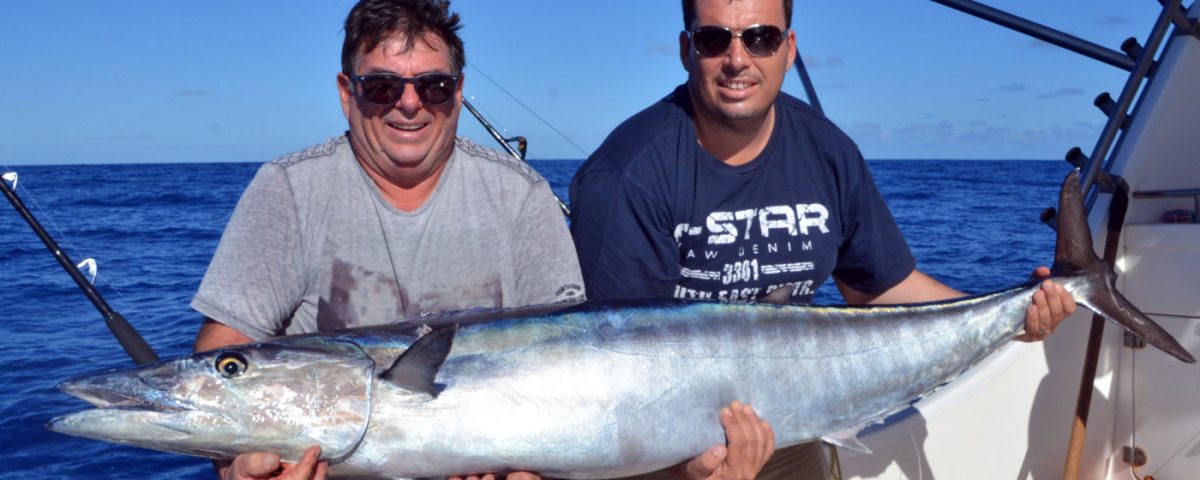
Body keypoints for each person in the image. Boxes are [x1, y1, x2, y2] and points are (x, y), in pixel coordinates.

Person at [569, 0, 1077, 478]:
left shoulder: (827, 149)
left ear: (789, 49)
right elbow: (625, 376)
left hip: (795, 427)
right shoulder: (625, 176)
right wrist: (688, 470)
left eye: (761, 38)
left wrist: (1011, 318)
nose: (737, 59)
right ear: (686, 50)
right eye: (714, 39)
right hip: (672, 457)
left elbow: (879, 287)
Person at [191, 1, 584, 478]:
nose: (410, 104)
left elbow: (572, 359)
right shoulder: (290, 189)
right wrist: (235, 466)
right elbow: (228, 348)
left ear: (458, 93)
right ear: (346, 92)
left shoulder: (522, 194)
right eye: (382, 86)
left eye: (433, 86)